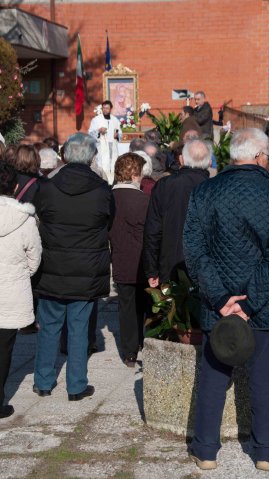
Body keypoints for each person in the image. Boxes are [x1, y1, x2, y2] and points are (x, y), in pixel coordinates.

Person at [183, 128, 269, 471]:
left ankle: (205, 450)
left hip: (221, 303)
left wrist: (221, 300)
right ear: (260, 156)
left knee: (214, 375)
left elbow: (194, 251)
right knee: (265, 376)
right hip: (264, 303)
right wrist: (247, 304)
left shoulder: (204, 192)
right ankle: (266, 451)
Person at [33, 133, 111, 401]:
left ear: (65, 155)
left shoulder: (47, 187)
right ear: (91, 156)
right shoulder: (102, 190)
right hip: (86, 267)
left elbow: (39, 216)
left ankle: (43, 381)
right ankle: (75, 386)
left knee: (50, 326)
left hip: (54, 265)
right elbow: (109, 221)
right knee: (79, 329)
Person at [0, 162, 42, 418]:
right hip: (10, 292)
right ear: (15, 187)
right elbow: (34, 259)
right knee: (4, 350)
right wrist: (18, 275)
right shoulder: (25, 219)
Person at [143, 139, 210, 286]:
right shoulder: (214, 188)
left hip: (170, 263)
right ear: (209, 161)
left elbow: (153, 231)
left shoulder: (164, 185)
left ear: (181, 159)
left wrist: (151, 269)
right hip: (205, 268)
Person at [109, 153, 149, 367]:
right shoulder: (144, 200)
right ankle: (142, 341)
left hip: (121, 258)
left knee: (126, 306)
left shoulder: (108, 198)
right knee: (144, 304)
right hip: (143, 259)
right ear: (134, 173)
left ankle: (129, 351)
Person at [88, 100, 122, 185]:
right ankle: (102, 183)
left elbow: (120, 133)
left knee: (113, 164)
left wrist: (117, 135)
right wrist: (99, 131)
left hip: (113, 146)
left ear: (111, 109)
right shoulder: (96, 120)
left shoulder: (115, 120)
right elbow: (90, 133)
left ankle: (112, 183)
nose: (105, 110)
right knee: (102, 164)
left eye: (107, 108)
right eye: (104, 108)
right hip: (102, 147)